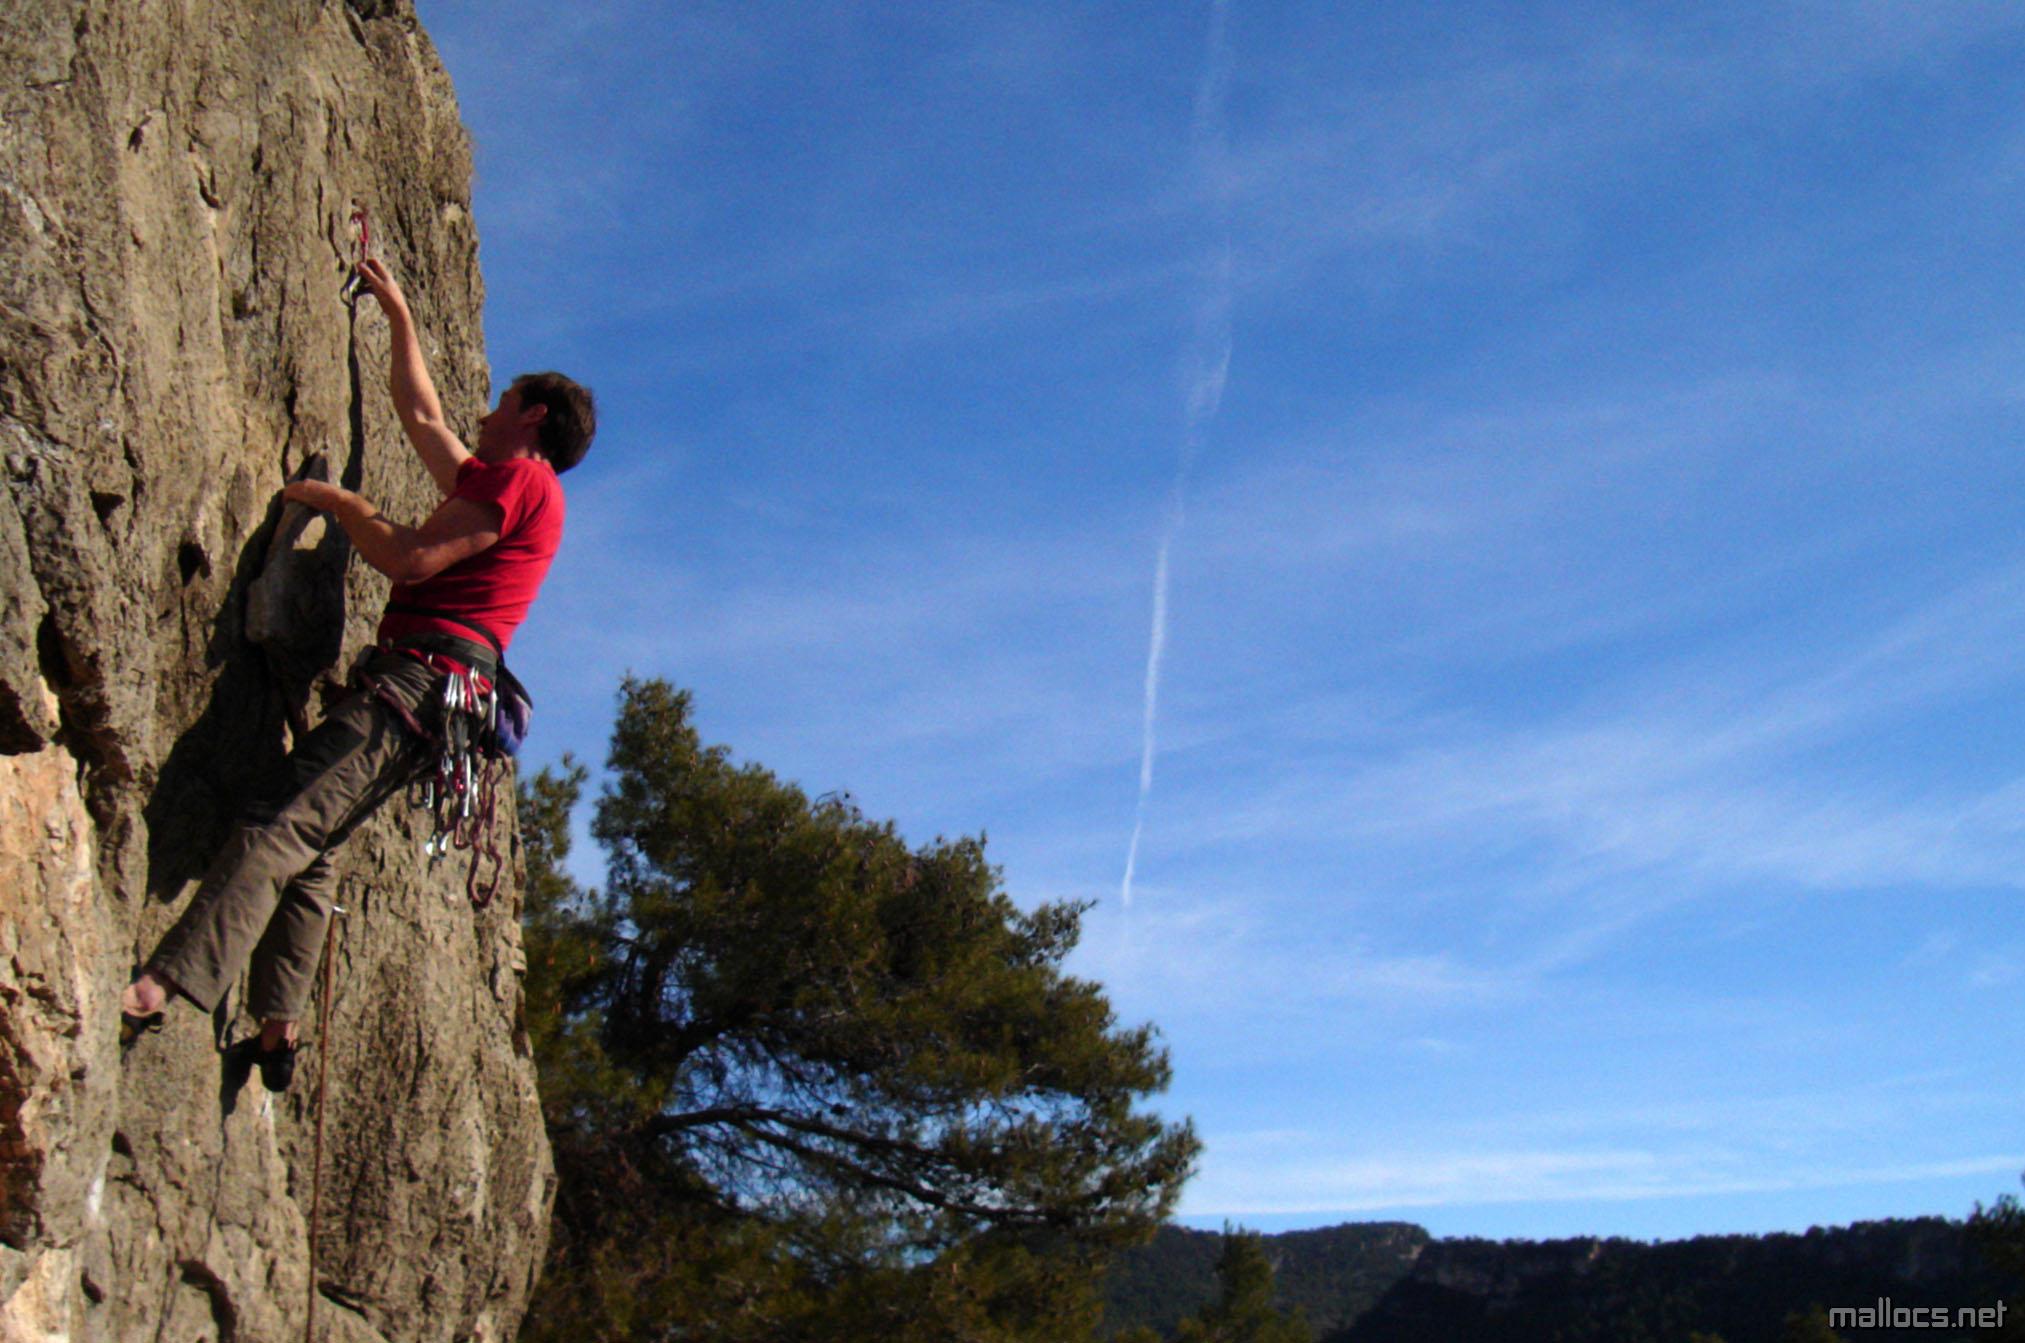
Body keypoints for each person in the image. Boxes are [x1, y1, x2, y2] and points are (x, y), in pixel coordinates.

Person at [119, 257, 595, 1090]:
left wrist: (339, 504)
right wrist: (397, 313)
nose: (483, 413)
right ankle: (278, 1029)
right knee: (317, 845)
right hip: (437, 695)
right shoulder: (505, 484)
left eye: (501, 401)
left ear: (533, 414)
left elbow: (410, 560)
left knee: (282, 818)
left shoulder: (523, 480)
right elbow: (422, 415)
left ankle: (163, 984)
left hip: (421, 684)